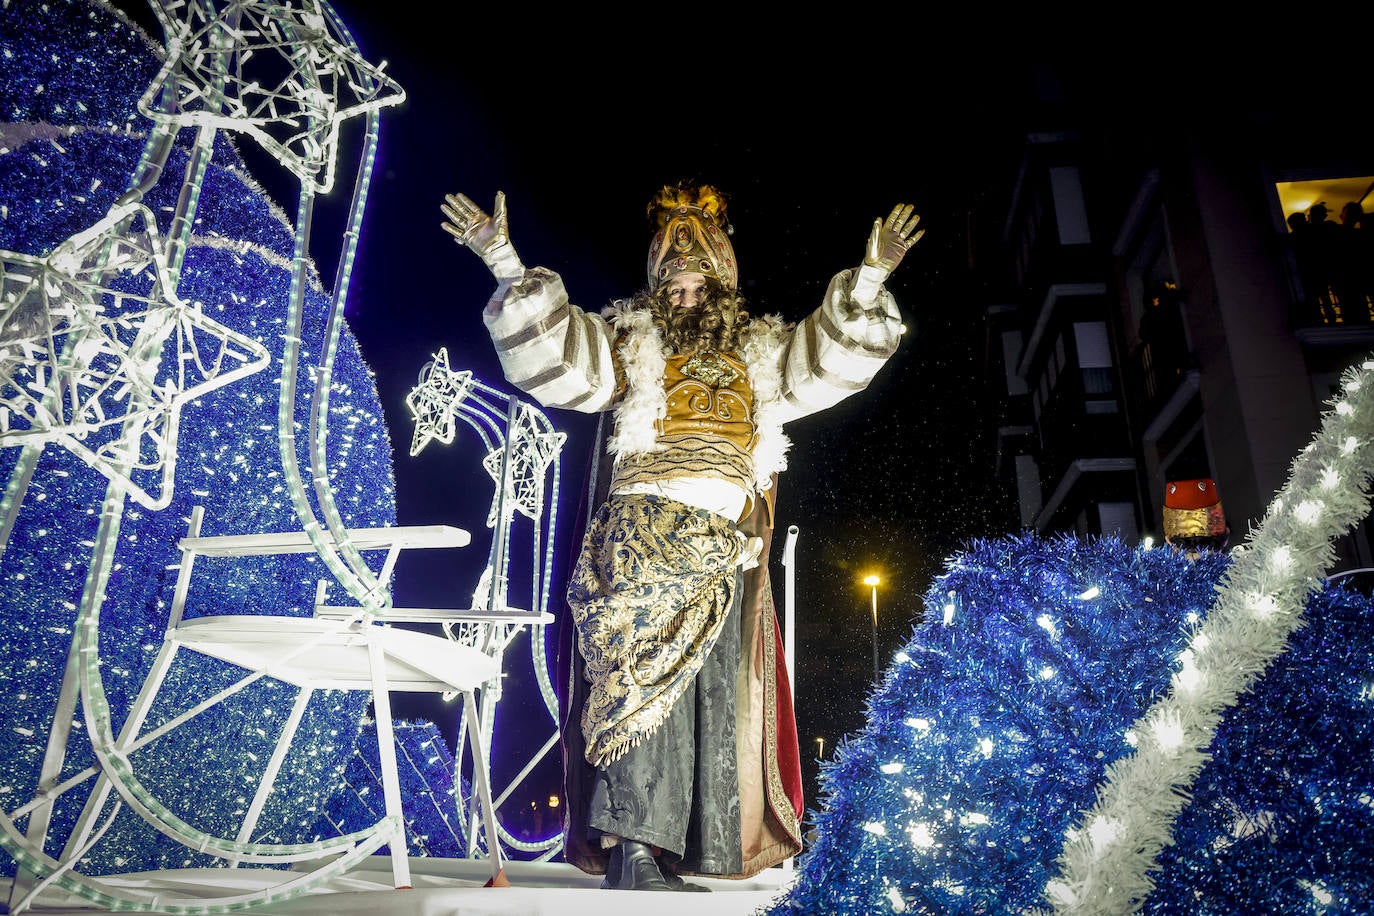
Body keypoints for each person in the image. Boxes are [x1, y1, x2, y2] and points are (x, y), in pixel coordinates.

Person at [439, 182, 923, 891]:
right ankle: (632, 852)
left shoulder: (761, 354)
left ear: (725, 280)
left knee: (707, 704)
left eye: (700, 278)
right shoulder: (629, 342)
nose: (686, 285)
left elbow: (832, 363)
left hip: (724, 549)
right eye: (673, 276)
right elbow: (557, 362)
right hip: (640, 540)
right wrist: (506, 262)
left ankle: (679, 852)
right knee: (637, 694)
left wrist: (873, 275)